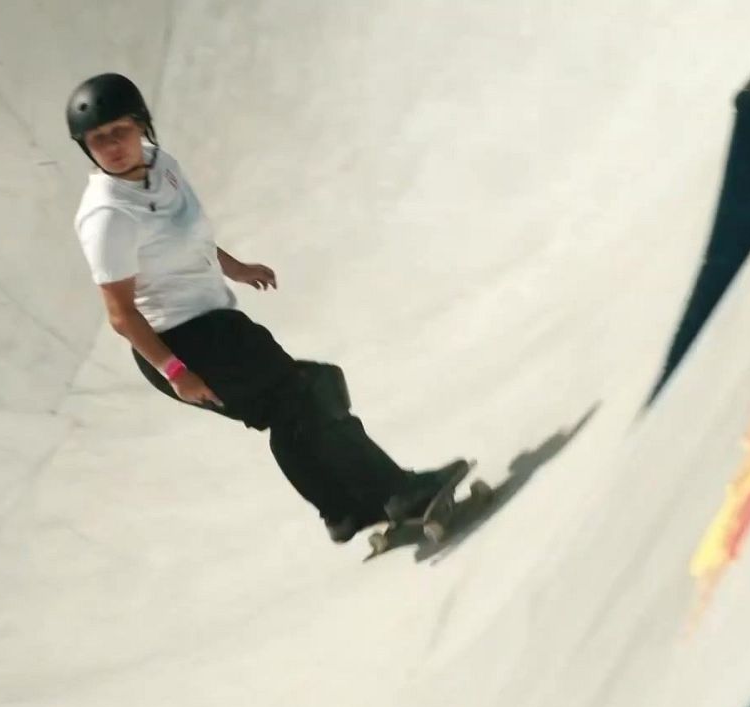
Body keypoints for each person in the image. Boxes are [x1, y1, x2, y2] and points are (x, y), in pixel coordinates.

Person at [66, 72, 464, 544]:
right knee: (309, 394)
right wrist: (176, 371)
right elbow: (121, 314)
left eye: (120, 131)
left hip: (216, 323)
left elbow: (187, 234)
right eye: (98, 139)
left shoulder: (161, 166)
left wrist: (234, 267)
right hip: (178, 344)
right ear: (86, 147)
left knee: (305, 402)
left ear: (141, 125)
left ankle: (344, 512)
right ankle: (399, 492)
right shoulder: (106, 216)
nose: (112, 146)